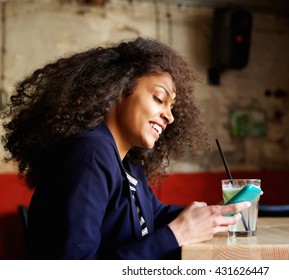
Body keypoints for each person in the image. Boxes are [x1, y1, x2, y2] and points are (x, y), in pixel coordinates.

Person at [1, 37, 250, 260]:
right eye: (159, 99)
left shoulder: (127, 162)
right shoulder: (89, 153)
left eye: (172, 107)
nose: (169, 117)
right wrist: (176, 235)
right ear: (119, 90)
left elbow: (153, 213)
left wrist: (211, 215)